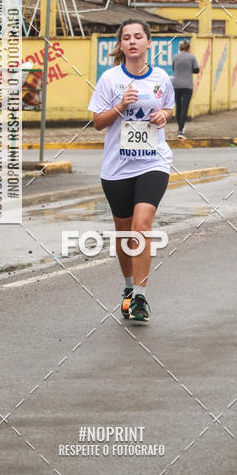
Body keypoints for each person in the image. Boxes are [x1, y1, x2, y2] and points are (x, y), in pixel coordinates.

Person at [88, 19, 174, 323]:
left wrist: (163, 114)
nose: (133, 41)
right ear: (121, 45)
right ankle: (127, 287)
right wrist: (121, 106)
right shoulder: (110, 79)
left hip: (153, 162)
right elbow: (98, 122)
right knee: (124, 233)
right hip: (117, 168)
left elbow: (169, 107)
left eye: (139, 37)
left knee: (141, 226)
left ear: (149, 43)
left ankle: (140, 297)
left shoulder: (161, 77)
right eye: (127, 37)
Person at [171, 39, 200, 138]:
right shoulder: (192, 57)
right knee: (184, 107)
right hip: (187, 85)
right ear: (189, 48)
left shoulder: (175, 57)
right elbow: (196, 70)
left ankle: (179, 127)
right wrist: (189, 69)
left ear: (180, 48)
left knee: (178, 106)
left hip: (176, 84)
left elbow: (174, 68)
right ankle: (181, 130)